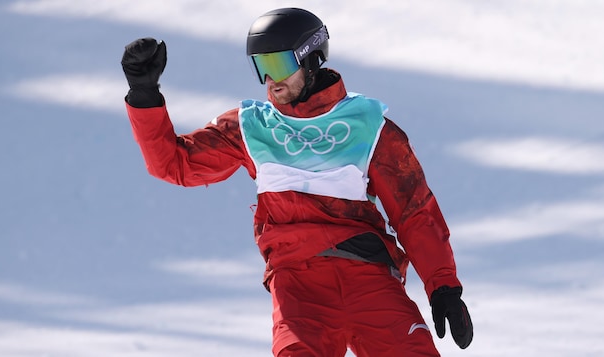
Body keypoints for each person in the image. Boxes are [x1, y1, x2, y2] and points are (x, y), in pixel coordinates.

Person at [121, 7, 473, 357]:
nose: (271, 80)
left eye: (279, 65)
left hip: (368, 275)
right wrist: (144, 94)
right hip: (298, 282)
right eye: (262, 67)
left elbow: (414, 210)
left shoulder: (367, 126)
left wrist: (443, 286)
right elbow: (174, 164)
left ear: (311, 58)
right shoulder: (252, 126)